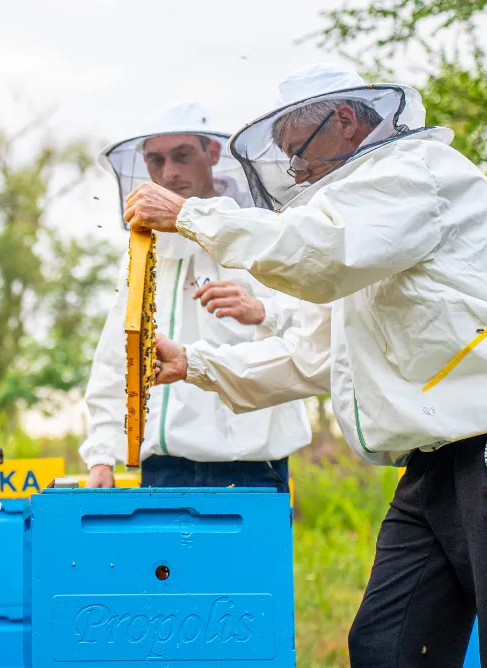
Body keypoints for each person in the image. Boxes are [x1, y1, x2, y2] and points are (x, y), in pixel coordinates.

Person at [126, 63, 487, 667]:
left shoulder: (413, 175)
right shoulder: (369, 225)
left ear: (344, 121)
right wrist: (195, 364)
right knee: (386, 645)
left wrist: (189, 214)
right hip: (436, 459)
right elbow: (319, 355)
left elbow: (315, 252)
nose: (295, 171)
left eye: (297, 152)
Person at [81, 101, 314, 490]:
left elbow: (319, 321)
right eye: (155, 161)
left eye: (181, 156)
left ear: (212, 153)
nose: (168, 173)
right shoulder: (145, 251)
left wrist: (262, 310)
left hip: (252, 462)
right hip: (165, 467)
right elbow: (117, 355)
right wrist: (102, 457)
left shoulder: (258, 231)